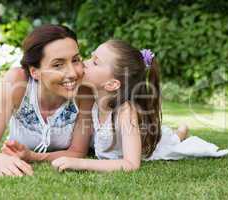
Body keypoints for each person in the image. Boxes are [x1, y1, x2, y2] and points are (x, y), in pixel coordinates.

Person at [0, 24, 93, 177]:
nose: (73, 73)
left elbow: (77, 152)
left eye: (75, 60)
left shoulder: (85, 91)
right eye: (58, 65)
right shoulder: (16, 83)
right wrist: (1, 161)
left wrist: (34, 157)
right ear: (35, 71)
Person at [51, 39, 189, 172]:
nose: (84, 63)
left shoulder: (125, 112)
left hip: (149, 144)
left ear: (112, 84)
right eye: (90, 57)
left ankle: (182, 131)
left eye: (95, 62)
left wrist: (81, 163)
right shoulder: (90, 99)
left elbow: (131, 164)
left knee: (171, 141)